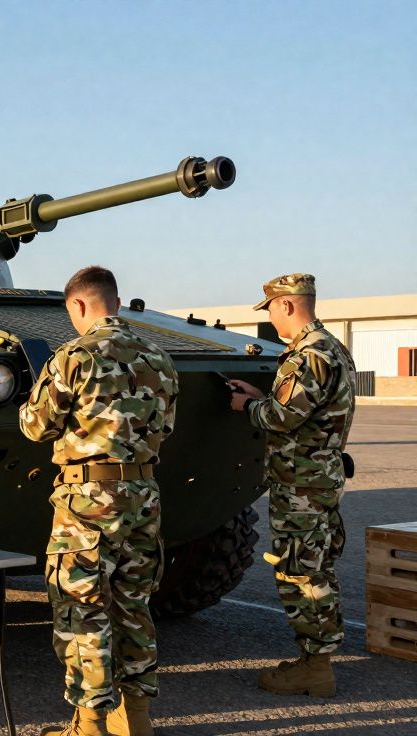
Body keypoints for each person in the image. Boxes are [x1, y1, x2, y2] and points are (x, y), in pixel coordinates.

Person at [18, 266, 180, 736]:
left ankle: (89, 725)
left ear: (78, 304)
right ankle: (136, 719)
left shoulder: (74, 357)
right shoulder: (159, 357)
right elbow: (166, 427)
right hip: (143, 496)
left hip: (88, 500)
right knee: (134, 604)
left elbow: (35, 426)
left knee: (81, 607)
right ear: (116, 300)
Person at [226, 273, 355, 698]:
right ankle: (316, 661)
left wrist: (247, 406)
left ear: (286, 304)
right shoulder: (331, 348)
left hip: (301, 485)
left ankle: (316, 668)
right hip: (317, 479)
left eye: (271, 310)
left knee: (301, 572)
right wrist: (260, 394)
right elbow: (302, 407)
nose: (272, 320)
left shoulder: (307, 355)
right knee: (316, 566)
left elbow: (281, 417)